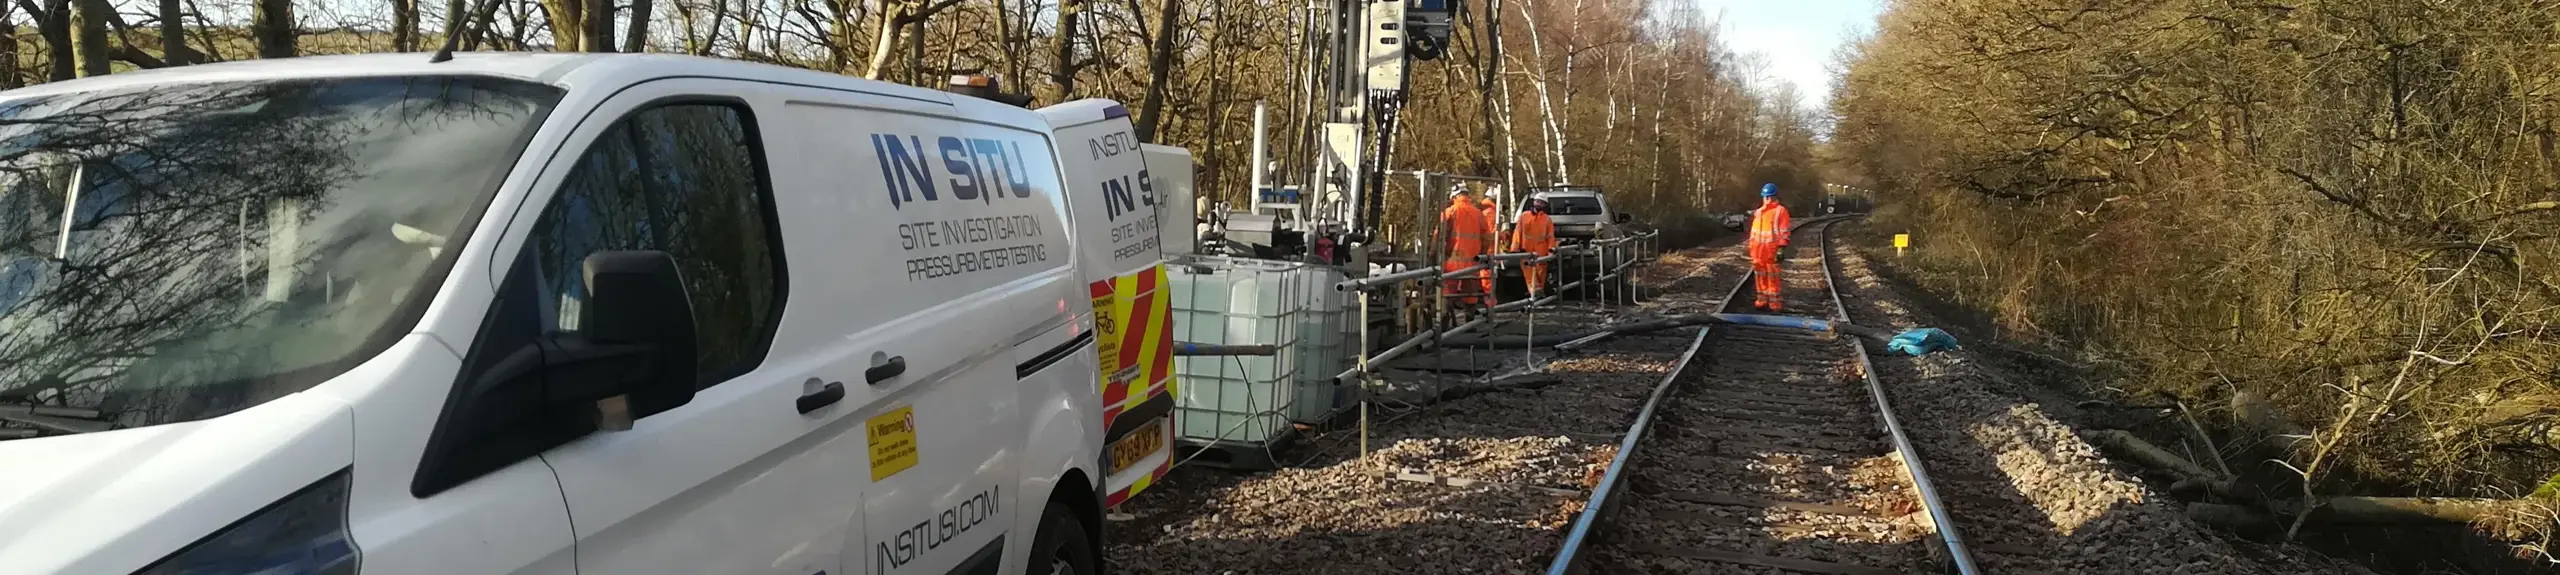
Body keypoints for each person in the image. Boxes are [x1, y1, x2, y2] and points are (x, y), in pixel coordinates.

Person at [1748, 183, 1793, 312]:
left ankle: (1774, 303)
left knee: (1773, 277)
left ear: (1774, 197)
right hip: (1758, 251)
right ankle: (1762, 300)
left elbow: (1784, 231)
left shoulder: (1780, 211)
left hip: (1771, 251)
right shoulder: (1759, 212)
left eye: (1770, 196)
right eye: (1765, 196)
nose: (1767, 199)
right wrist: (1751, 248)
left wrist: (1781, 247)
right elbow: (1753, 232)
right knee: (1760, 276)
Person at [1441, 186, 1488, 306]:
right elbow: (1486, 238)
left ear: (1455, 197)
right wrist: (1482, 255)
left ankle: (1445, 319)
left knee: (1448, 293)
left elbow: (1440, 236)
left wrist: (1434, 254)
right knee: (1470, 294)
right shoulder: (1478, 213)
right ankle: (1470, 319)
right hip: (1473, 262)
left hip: (1452, 261)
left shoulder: (1450, 212)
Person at [1513, 198, 1557, 299]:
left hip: (1541, 250)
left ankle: (1538, 293)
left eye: (1541, 202)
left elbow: (1550, 236)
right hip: (1526, 249)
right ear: (1533, 202)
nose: (1539, 204)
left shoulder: (1547, 219)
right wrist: (1515, 247)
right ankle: (1535, 293)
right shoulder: (1524, 216)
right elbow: (1517, 232)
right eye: (1537, 201)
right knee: (1528, 272)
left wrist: (1551, 250)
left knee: (1540, 273)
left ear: (1544, 205)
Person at [1478, 195, 1501, 303]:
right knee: (1487, 276)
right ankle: (1489, 301)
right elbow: (1490, 234)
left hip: (1484, 248)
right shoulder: (1490, 213)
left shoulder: (1485, 212)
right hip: (1488, 249)